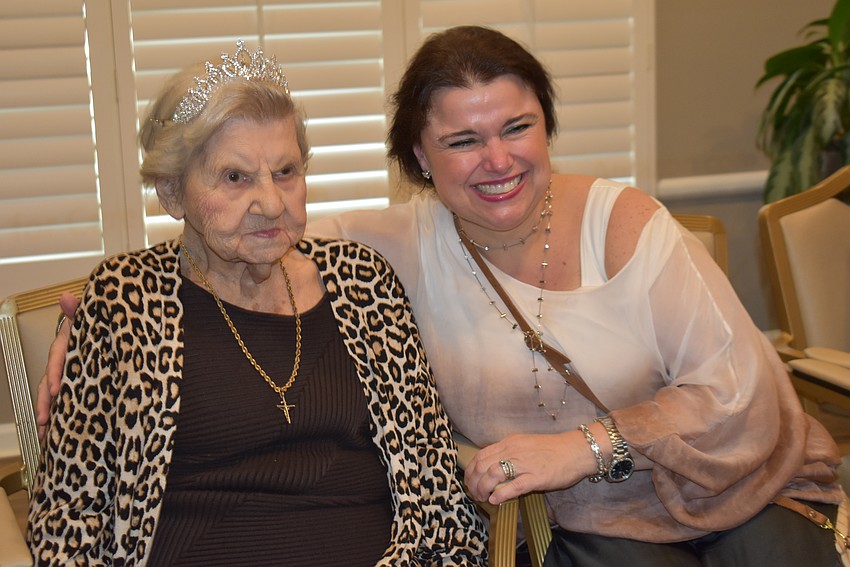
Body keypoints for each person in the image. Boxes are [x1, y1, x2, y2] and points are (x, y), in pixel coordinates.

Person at [39, 26, 847, 565]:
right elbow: (242, 239)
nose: (497, 160)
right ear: (421, 160)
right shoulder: (375, 251)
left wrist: (583, 445)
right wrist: (104, 317)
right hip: (587, 522)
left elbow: (737, 390)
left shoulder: (618, 224)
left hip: (720, 479)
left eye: (517, 128)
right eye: (462, 140)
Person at [28, 40, 487, 566]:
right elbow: (68, 516)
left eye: (287, 172)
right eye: (234, 177)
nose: (271, 203)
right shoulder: (124, 300)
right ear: (171, 193)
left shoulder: (365, 284)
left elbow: (436, 493)